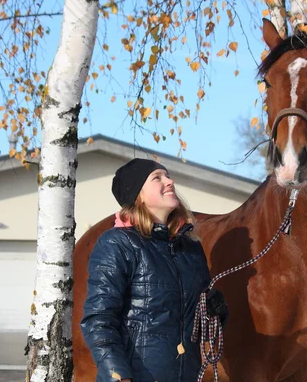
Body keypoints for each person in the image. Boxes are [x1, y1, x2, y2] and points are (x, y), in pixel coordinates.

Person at [81, 158, 228, 382]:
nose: (169, 181)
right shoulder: (117, 243)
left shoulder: (190, 248)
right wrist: (118, 375)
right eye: (157, 178)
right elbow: (98, 320)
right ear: (137, 195)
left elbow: (199, 329)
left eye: (167, 176)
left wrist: (216, 312)